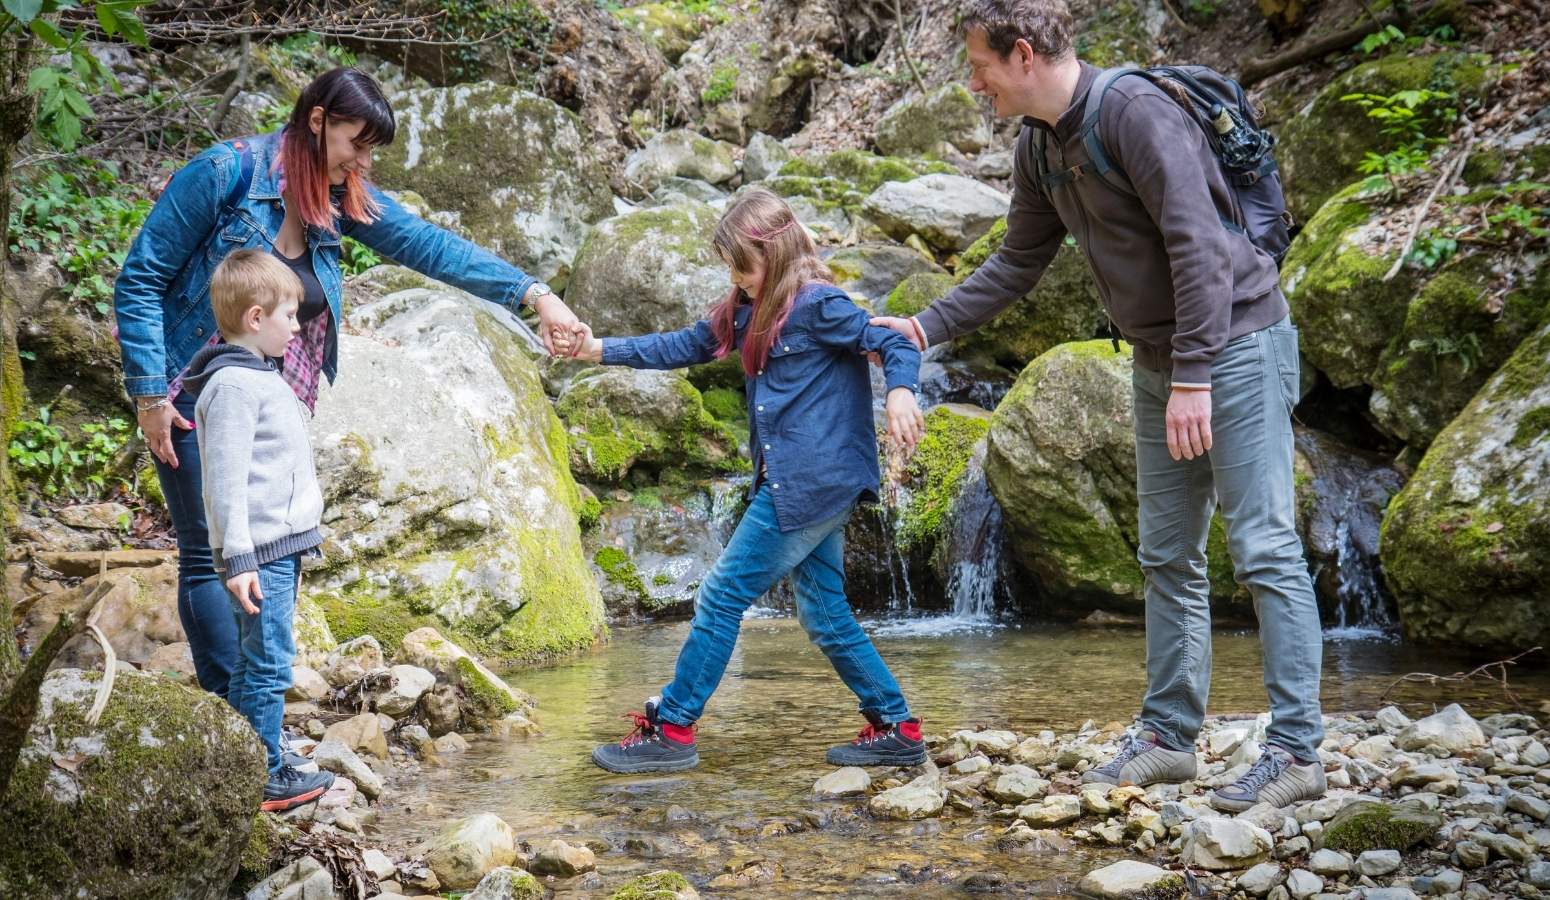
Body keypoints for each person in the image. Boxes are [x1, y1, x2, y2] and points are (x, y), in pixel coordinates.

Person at [870, 0, 1326, 811]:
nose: (974, 85)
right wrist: (924, 326)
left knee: (1262, 547)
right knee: (1166, 554)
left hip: (1238, 345)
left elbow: (1198, 246)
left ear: (1022, 55)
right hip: (1160, 360)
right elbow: (1017, 262)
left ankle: (1296, 751)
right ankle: (1169, 738)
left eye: (979, 67)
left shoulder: (1135, 114)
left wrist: (1194, 378)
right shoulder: (1039, 145)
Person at [113, 67, 583, 714]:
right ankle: (231, 721)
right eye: (356, 144)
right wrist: (149, 397)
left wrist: (536, 295)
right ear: (317, 121)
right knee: (209, 554)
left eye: (371, 150)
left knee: (267, 554)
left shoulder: (339, 196)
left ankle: (254, 720)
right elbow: (141, 278)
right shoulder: (225, 174)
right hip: (192, 395)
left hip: (274, 402)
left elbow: (430, 246)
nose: (363, 162)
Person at [558, 188, 929, 774]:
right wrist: (596, 350)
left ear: (774, 254)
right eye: (730, 267)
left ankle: (673, 728)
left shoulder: (819, 304)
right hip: (807, 483)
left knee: (721, 594)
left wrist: (901, 392)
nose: (736, 278)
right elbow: (683, 345)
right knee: (824, 611)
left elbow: (891, 339)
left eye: (742, 266)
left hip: (808, 483)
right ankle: (897, 727)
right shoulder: (748, 308)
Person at [181, 250, 336, 810]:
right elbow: (225, 482)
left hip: (277, 545)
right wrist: (239, 558)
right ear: (254, 318)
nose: (297, 327)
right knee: (269, 662)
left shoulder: (258, 375)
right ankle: (264, 775)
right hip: (260, 552)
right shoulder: (234, 388)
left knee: (255, 660)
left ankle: (246, 765)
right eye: (289, 316)